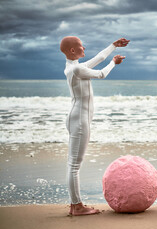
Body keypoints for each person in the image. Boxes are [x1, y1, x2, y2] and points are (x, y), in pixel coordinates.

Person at [60, 36, 130, 216]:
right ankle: (76, 206)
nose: (84, 47)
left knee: (73, 164)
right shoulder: (76, 69)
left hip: (77, 118)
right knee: (74, 165)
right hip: (79, 121)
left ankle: (74, 205)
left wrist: (113, 46)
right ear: (73, 51)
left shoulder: (75, 67)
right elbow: (101, 73)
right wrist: (114, 63)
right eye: (80, 46)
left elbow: (99, 58)